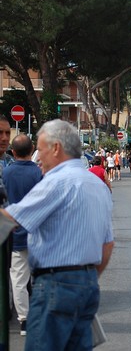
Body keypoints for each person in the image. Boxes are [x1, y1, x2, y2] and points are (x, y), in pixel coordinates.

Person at [0, 119, 113, 350]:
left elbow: (9, 220)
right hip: (88, 284)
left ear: (56, 148)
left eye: (40, 150)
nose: (38, 158)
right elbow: (107, 245)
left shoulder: (56, 182)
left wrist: (65, 280)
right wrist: (83, 278)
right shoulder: (97, 185)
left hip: (55, 284)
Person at [3, 134, 43, 336]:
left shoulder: (5, 173)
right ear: (32, 149)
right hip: (37, 234)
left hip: (15, 233)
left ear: (13, 151)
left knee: (18, 279)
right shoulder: (38, 173)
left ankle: (24, 320)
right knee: (40, 278)